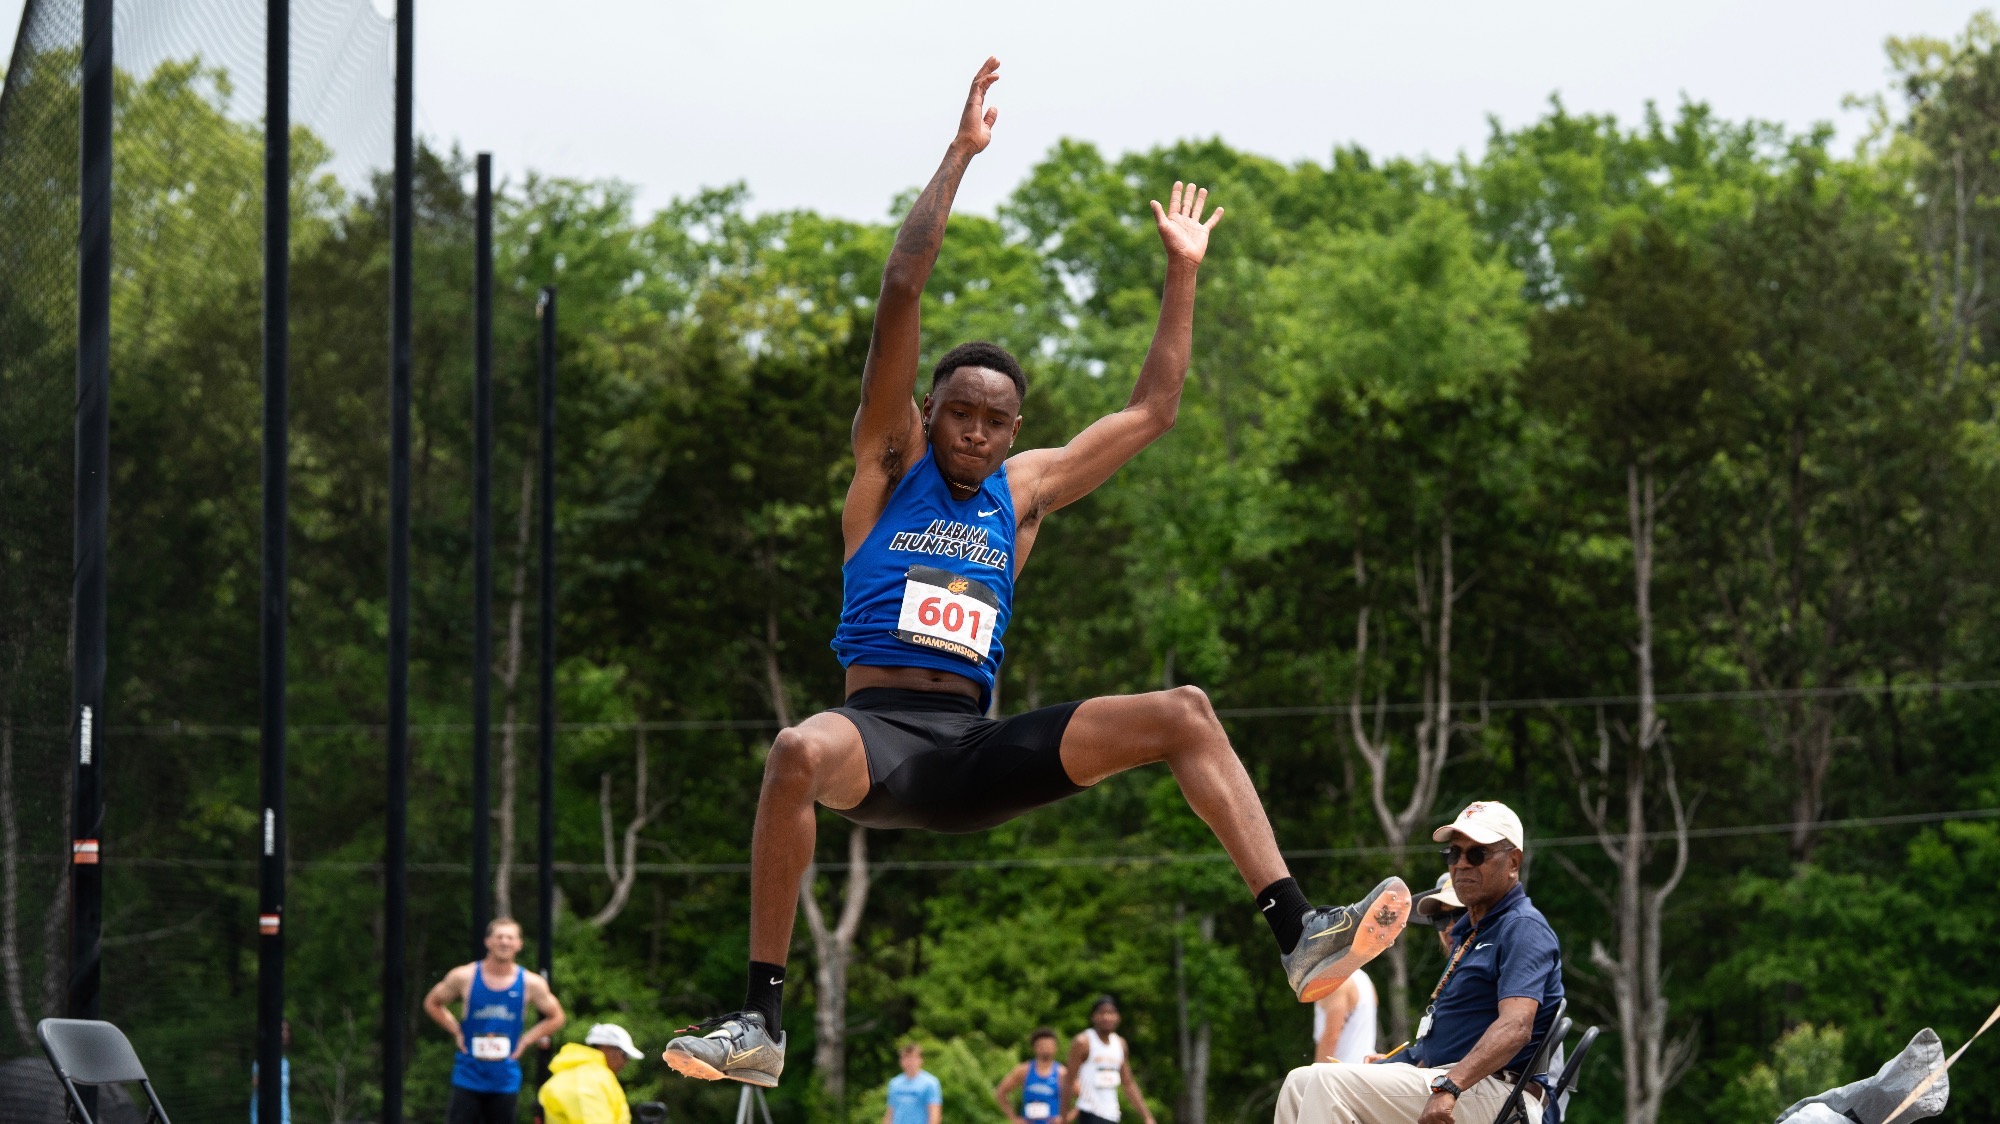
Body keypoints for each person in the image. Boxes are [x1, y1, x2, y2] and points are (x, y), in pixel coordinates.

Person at [663, 54, 1410, 1089]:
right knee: (792, 745)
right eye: (956, 410)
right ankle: (760, 1016)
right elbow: (899, 287)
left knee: (1185, 709)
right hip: (874, 739)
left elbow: (1152, 410)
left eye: (992, 417)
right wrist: (959, 154)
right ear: (927, 411)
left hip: (970, 747)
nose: (971, 430)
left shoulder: (1022, 492)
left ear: (1016, 426)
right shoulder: (889, 466)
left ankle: (1298, 932)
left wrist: (1183, 269)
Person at [1274, 801, 1564, 1124]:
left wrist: (1450, 1086)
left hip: (1501, 1094)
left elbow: (1516, 1027)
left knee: (1325, 1083)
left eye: (1477, 854)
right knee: (1298, 1083)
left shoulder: (1522, 927)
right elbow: (1440, 1045)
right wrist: (1387, 1066)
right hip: (1455, 1082)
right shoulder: (1473, 934)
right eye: (1454, 854)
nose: (1462, 865)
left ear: (1513, 862)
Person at [423, 917, 567, 1124]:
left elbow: (557, 1016)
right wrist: (456, 1031)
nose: (504, 942)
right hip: (468, 1074)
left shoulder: (530, 983)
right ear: (487, 941)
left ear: (519, 944)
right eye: (499, 937)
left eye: (510, 937)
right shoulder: (464, 976)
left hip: (505, 1078)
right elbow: (432, 1002)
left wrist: (526, 1040)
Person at [1061, 997, 1154, 1124]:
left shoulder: (1120, 1044)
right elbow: (1069, 1079)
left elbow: (1128, 1083)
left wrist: (1147, 1117)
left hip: (1112, 1114)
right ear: (1093, 1017)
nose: (1107, 1017)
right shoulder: (1084, 1042)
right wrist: (1063, 1116)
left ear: (1118, 1017)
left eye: (1111, 1013)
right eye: (1102, 1013)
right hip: (1090, 1111)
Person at [539, 1024, 645, 1124]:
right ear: (606, 1047)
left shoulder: (570, 1074)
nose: (625, 1062)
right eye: (624, 1055)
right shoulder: (591, 1079)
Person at [995, 1027, 1065, 1123]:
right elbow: (1000, 1092)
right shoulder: (1023, 1070)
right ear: (1034, 1047)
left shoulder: (1062, 1072)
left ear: (1055, 1047)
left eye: (1049, 1045)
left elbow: (1083, 1096)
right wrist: (1014, 1118)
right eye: (1042, 1045)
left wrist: (1065, 1118)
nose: (1046, 1048)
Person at [1312, 969, 1378, 1064]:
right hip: (1366, 1064)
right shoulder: (1363, 977)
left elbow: (1331, 1037)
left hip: (1344, 1071)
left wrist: (1317, 1073)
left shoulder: (1336, 982)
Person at [885, 1043, 943, 1124]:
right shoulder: (894, 1083)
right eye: (906, 1058)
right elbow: (890, 1113)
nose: (910, 1062)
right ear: (901, 1061)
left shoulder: (930, 1083)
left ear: (920, 1060)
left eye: (913, 1058)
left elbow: (934, 1114)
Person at [249, 1019, 291, 1124]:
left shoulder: (285, 1063)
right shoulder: (262, 1061)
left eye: (287, 1030)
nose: (285, 1033)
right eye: (282, 1029)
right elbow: (255, 1083)